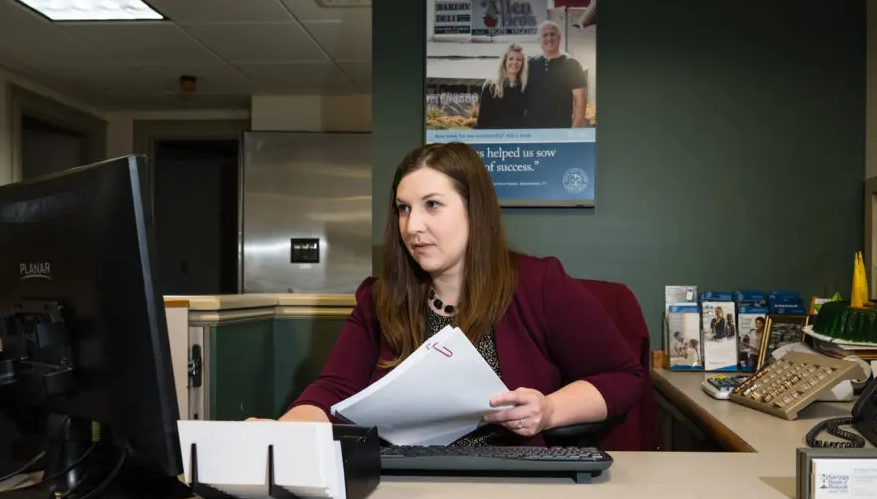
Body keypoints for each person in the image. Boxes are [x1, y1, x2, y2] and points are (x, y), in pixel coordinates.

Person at [272, 142, 643, 446]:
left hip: (512, 494)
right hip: (403, 491)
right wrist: (285, 432)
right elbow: (333, 389)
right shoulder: (379, 299)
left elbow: (622, 376)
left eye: (432, 205)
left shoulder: (538, 284)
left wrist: (549, 409)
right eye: (404, 209)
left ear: (473, 211)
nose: (412, 226)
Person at [523, 21, 588, 129]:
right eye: (545, 35)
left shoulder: (572, 65)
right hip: (533, 133)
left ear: (559, 37)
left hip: (561, 132)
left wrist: (574, 132)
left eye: (552, 34)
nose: (549, 38)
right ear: (539, 40)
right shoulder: (530, 64)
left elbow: (580, 101)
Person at [474, 43, 528, 129]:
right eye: (511, 59)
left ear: (522, 63)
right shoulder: (491, 86)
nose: (515, 62)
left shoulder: (525, 88)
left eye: (519, 59)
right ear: (504, 62)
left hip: (517, 139)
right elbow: (482, 120)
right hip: (494, 138)